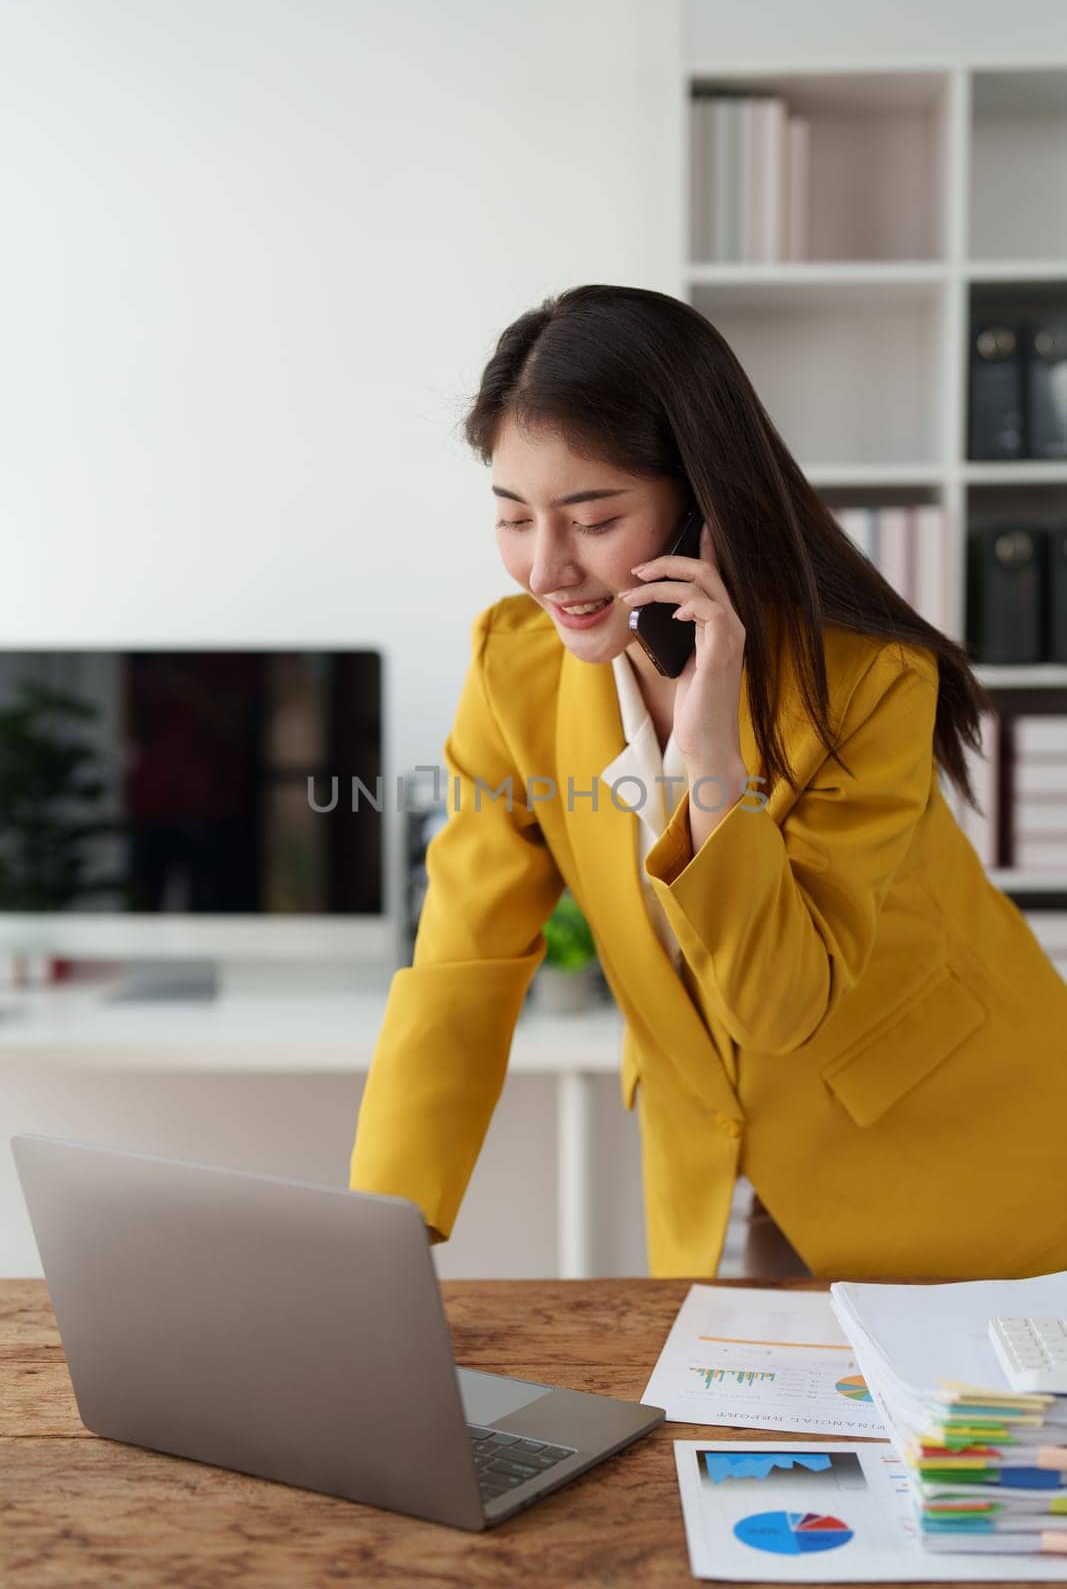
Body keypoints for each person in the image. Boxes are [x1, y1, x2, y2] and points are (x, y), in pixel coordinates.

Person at [349, 282, 1067, 1281]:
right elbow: (459, 964)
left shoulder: (866, 684)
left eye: (591, 518)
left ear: (702, 509)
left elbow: (782, 1002)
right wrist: (383, 1233)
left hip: (960, 1162)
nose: (542, 568)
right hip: (712, 1171)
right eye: (512, 517)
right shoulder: (513, 669)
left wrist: (711, 758)